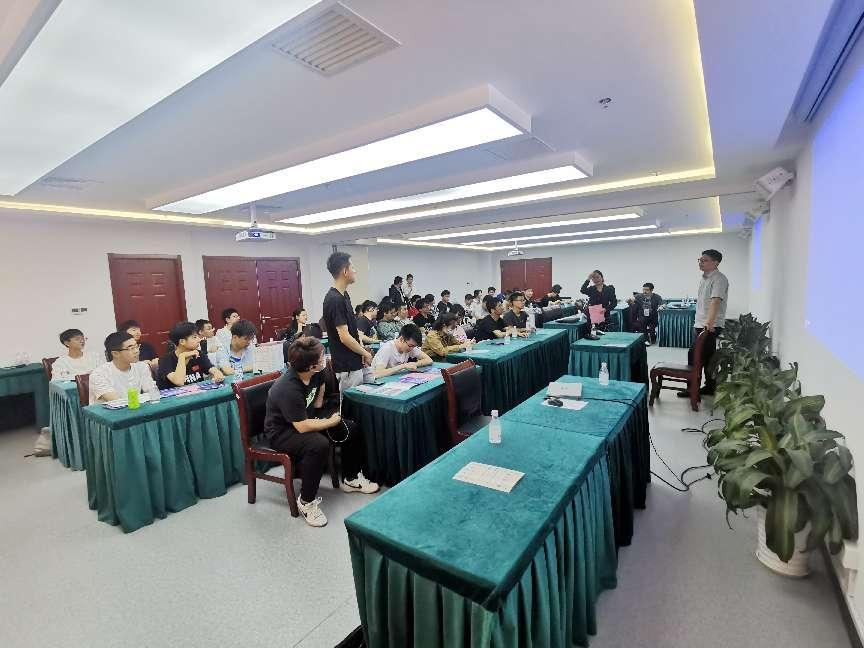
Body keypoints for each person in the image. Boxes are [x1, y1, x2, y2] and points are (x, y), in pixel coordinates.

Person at [263, 336, 378, 527]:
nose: (324, 358)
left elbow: (320, 391)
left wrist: (320, 411)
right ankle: (306, 501)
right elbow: (301, 426)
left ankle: (350, 478)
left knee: (351, 428)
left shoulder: (318, 372)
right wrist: (329, 421)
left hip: (305, 418)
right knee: (318, 445)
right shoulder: (287, 388)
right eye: (321, 356)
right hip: (282, 432)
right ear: (310, 366)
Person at [679, 249, 729, 398]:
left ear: (716, 263)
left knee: (694, 355)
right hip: (701, 324)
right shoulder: (705, 278)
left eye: (705, 260)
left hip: (709, 326)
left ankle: (692, 389)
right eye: (700, 260)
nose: (701, 262)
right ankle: (710, 386)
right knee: (708, 358)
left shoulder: (719, 279)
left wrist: (709, 324)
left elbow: (715, 301)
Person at [321, 251, 372, 392]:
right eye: (353, 267)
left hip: (355, 360)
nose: (355, 271)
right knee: (350, 404)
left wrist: (361, 351)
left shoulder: (344, 295)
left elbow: (352, 330)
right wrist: (365, 353)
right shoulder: (334, 299)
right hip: (346, 365)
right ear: (345, 271)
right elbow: (344, 337)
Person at [88, 331, 158, 404]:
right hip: (112, 410)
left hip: (134, 407)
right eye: (131, 348)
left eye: (136, 346)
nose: (136, 351)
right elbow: (117, 402)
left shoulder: (141, 367)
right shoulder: (99, 374)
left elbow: (152, 392)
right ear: (115, 353)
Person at [157, 322, 225, 389]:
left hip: (198, 392)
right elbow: (179, 381)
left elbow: (212, 369)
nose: (199, 340)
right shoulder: (165, 360)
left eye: (198, 336)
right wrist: (182, 356)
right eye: (194, 337)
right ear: (182, 342)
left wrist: (217, 374)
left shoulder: (199, 354)